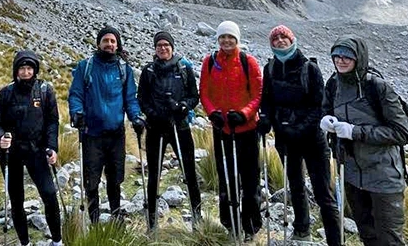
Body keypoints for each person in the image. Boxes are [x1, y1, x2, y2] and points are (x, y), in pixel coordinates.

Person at [321, 36, 408, 246]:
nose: (341, 60)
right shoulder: (334, 83)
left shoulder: (377, 87)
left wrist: (356, 132)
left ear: (358, 58)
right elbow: (325, 109)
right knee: (367, 235)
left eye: (347, 56)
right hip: (352, 174)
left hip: (383, 177)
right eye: (337, 55)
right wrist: (325, 120)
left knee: (389, 239)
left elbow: (401, 132)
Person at [258, 25, 341, 245]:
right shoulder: (270, 68)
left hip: (312, 139)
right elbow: (266, 99)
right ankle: (302, 230)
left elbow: (319, 105)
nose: (280, 41)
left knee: (323, 191)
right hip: (285, 138)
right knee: (295, 186)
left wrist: (300, 129)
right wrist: (266, 118)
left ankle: (335, 239)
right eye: (275, 39)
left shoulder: (309, 68)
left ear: (292, 40)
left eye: (284, 37)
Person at [68, 25, 145, 223]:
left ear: (117, 44)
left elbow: (130, 98)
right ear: (98, 44)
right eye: (106, 41)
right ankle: (94, 221)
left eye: (113, 41)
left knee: (115, 177)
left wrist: (136, 116)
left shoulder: (123, 69)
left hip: (115, 134)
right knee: (91, 179)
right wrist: (77, 113)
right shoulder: (86, 67)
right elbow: (76, 94)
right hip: (91, 133)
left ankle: (116, 213)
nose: (109, 44)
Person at [0, 50, 63, 246]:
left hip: (37, 151)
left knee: (49, 194)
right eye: (21, 68)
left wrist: (52, 147)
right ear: (16, 71)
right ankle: (24, 242)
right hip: (11, 154)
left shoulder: (45, 91)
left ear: (35, 70)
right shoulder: (5, 93)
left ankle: (57, 241)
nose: (25, 72)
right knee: (16, 200)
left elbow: (52, 122)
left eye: (29, 68)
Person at [199, 20, 263, 239]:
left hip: (246, 129)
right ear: (218, 39)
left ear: (237, 40)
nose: (227, 41)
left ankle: (250, 226)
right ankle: (230, 223)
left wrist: (244, 113)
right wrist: (212, 112)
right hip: (222, 129)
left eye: (231, 37)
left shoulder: (248, 62)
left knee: (250, 179)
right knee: (226, 177)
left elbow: (257, 94)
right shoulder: (209, 62)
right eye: (223, 37)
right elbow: (204, 92)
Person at [137, 30, 202, 229]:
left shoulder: (184, 68)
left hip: (179, 126)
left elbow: (194, 96)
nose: (163, 48)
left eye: (166, 45)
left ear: (172, 47)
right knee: (154, 173)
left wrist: (183, 106)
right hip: (156, 127)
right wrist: (152, 113)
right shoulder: (148, 71)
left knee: (189, 171)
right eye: (159, 45)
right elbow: (142, 99)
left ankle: (197, 217)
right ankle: (152, 220)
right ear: (155, 49)